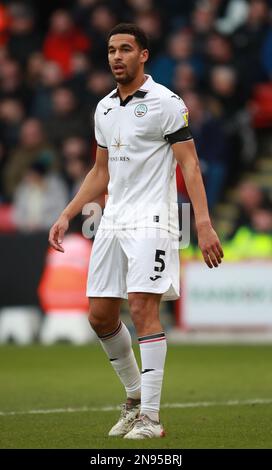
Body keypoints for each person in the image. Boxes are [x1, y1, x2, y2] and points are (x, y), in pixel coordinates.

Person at [49, 23, 224, 440]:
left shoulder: (166, 102)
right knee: (100, 316)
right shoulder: (104, 108)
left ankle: (151, 417)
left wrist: (202, 222)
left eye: (125, 49)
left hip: (155, 220)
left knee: (144, 310)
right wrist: (67, 213)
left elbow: (190, 165)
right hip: (111, 220)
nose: (116, 56)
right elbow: (100, 171)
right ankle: (133, 398)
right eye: (111, 49)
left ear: (143, 55)